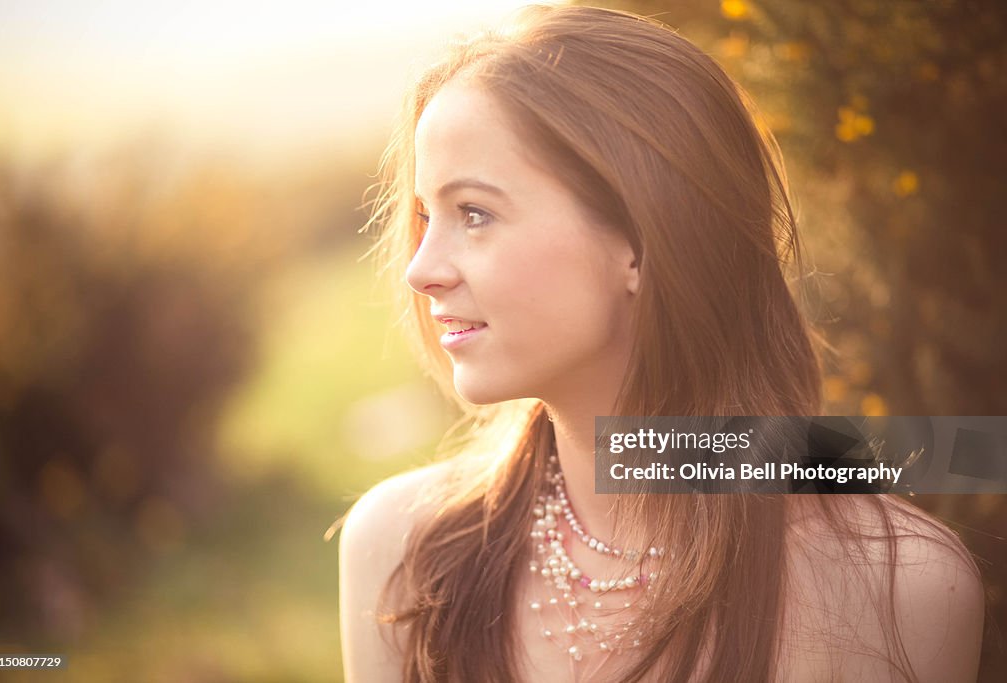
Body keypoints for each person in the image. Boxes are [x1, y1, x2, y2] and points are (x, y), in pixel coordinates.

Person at [338, 5, 984, 681]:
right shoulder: (402, 552)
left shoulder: (899, 587)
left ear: (642, 241)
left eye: (475, 213)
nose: (421, 269)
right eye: (423, 216)